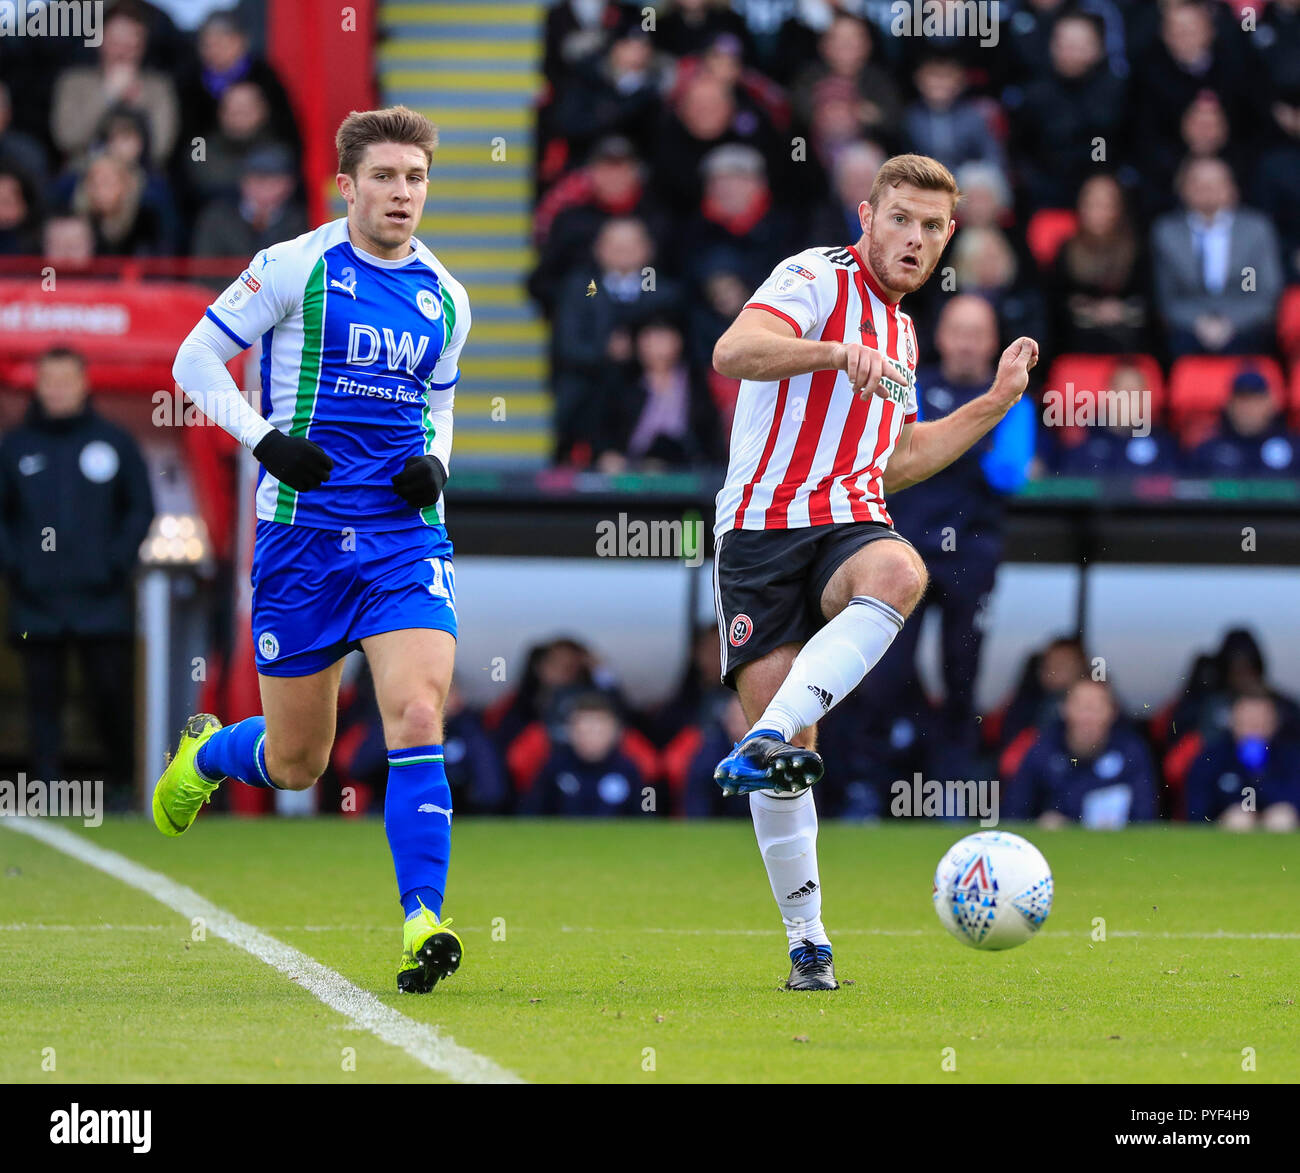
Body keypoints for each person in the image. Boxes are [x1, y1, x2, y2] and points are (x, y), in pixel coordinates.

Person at [159, 107, 473, 997]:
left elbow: (441, 405)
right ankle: (209, 755)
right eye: (384, 177)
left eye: (415, 178)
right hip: (301, 541)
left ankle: (424, 917)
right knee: (302, 762)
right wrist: (264, 441)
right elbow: (194, 362)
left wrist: (436, 463)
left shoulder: (446, 296)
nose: (402, 193)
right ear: (348, 185)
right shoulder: (296, 265)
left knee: (416, 714)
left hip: (402, 540)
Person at [709, 153, 1039, 990]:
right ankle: (808, 941)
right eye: (901, 219)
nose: (915, 238)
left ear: (949, 237)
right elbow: (733, 350)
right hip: (759, 532)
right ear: (868, 216)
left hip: (848, 518)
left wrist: (992, 404)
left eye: (932, 227)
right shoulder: (816, 275)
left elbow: (893, 459)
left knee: (899, 569)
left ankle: (763, 734)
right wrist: (828, 353)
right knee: (794, 758)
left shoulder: (902, 330)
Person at [876, 295, 1035, 778]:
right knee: (887, 674)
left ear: (993, 343)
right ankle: (881, 784)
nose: (966, 344)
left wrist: (939, 445)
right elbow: (895, 456)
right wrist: (975, 441)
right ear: (940, 338)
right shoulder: (909, 389)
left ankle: (953, 785)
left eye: (977, 334)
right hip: (904, 553)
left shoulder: (1014, 400)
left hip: (973, 556)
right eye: (958, 332)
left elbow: (1008, 473)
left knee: (961, 676)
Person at [0, 348, 154, 796]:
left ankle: (124, 782)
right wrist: (17, 566)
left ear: (84, 384)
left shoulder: (116, 441)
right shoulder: (15, 446)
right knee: (41, 699)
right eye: (50, 380)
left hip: (101, 599)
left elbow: (140, 509)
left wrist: (115, 564)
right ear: (38, 385)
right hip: (35, 599)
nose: (59, 389)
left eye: (66, 380)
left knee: (109, 693)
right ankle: (47, 789)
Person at [1003, 679, 1158, 827]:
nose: (1088, 717)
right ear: (1064, 709)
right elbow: (1014, 813)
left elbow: (1145, 817)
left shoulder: (1131, 751)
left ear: (1112, 712)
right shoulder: (1043, 749)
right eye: (1081, 707)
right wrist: (1041, 823)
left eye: (1096, 708)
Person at [1185, 692, 1300, 830]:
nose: (1253, 729)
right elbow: (1197, 810)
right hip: (1226, 829)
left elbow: (1293, 799)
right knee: (1239, 820)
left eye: (1260, 723)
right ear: (1233, 722)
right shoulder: (1212, 757)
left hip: (1277, 824)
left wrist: (1259, 773)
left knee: (1282, 818)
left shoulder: (1290, 756)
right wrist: (1229, 814)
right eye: (1247, 722)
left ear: (1273, 724)